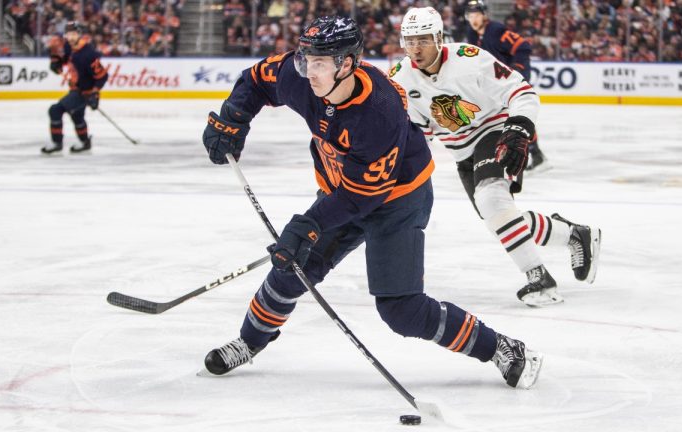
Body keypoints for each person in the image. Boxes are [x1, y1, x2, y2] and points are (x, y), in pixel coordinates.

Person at [200, 16, 543, 389]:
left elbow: (364, 195)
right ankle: (250, 342)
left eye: (319, 63)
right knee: (290, 269)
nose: (307, 71)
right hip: (341, 191)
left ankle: (501, 348)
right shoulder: (301, 79)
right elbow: (256, 80)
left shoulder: (378, 112)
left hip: (398, 201)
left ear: (346, 64)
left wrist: (308, 224)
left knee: (402, 311)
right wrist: (232, 120)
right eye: (305, 60)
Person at [390, 7, 601, 307]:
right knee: (498, 218)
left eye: (423, 39)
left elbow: (523, 92)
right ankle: (574, 235)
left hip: (495, 131)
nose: (416, 48)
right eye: (409, 41)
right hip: (461, 152)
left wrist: (519, 128)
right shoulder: (400, 78)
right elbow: (418, 133)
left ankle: (539, 277)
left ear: (439, 37)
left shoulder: (469, 58)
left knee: (492, 201)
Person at [464, 0, 548, 171]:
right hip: (494, 82)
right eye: (470, 15)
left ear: (485, 15)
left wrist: (518, 68)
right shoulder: (472, 35)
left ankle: (535, 154)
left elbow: (522, 46)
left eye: (477, 15)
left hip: (510, 80)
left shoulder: (495, 30)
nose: (473, 19)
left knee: (516, 113)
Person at [42, 22, 108, 155]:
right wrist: (57, 63)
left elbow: (102, 76)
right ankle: (85, 142)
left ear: (79, 35)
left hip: (84, 92)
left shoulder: (88, 54)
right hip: (75, 89)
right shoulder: (68, 45)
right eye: (68, 34)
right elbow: (66, 58)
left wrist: (95, 94)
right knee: (77, 115)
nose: (70, 37)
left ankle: (57, 143)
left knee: (55, 110)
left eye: (74, 34)